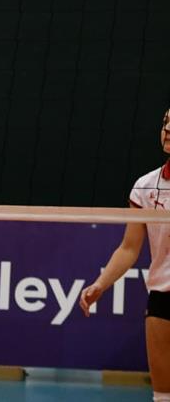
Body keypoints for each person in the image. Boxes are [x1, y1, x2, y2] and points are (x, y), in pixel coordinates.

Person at [80, 107, 170, 401]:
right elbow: (129, 247)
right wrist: (100, 284)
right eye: (165, 122)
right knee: (163, 395)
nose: (168, 129)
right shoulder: (145, 187)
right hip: (162, 297)